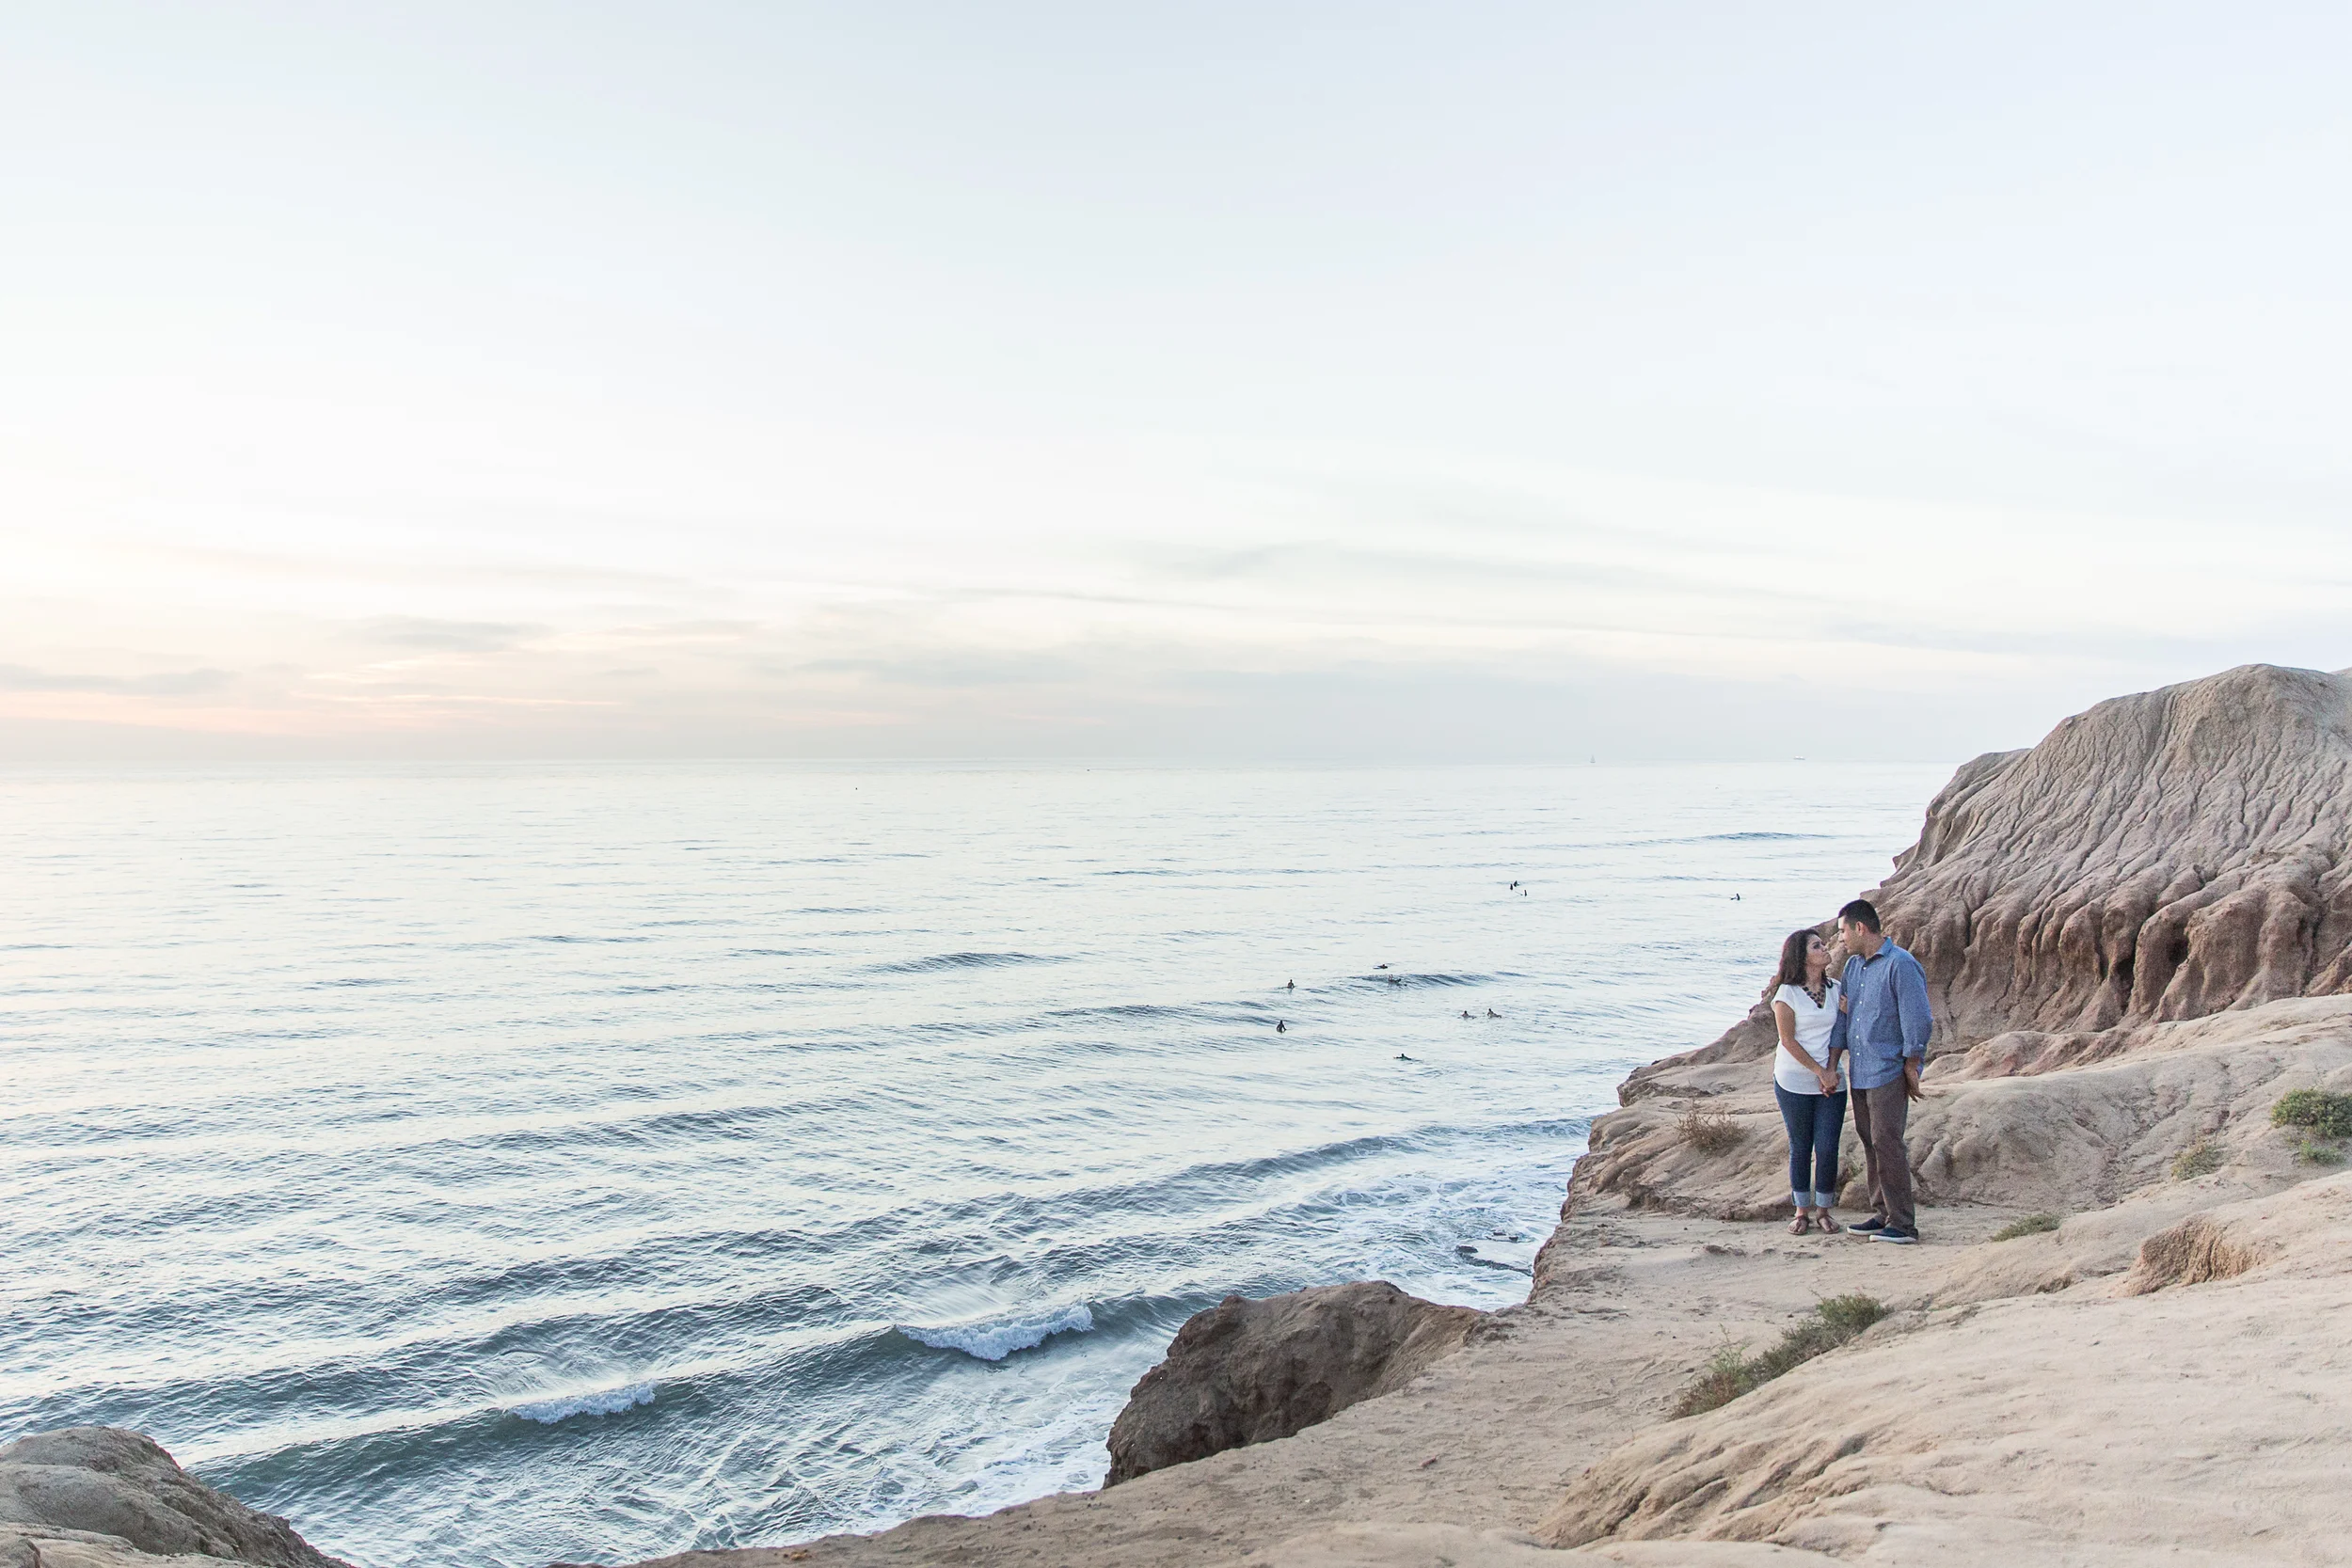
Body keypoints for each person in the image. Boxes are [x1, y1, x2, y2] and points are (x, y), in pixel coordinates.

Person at [1826, 897, 1933, 1244]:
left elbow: (1918, 1018)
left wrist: (1912, 1064)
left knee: (1888, 1143)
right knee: (1870, 1142)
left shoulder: (1900, 965)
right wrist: (1832, 1065)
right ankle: (1882, 1212)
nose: (1840, 938)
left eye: (1843, 931)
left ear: (1860, 928)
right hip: (1860, 1070)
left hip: (1887, 1069)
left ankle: (1903, 1225)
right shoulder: (1853, 968)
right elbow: (1846, 1018)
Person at [1769, 927, 1846, 1234]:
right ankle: (1801, 1210)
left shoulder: (1837, 989)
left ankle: (1824, 1210)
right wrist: (1818, 1071)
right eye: (1817, 946)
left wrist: (1830, 1070)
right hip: (1794, 1080)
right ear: (1802, 958)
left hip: (1831, 1078)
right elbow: (1787, 1041)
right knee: (1801, 1146)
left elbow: (1839, 1034)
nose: (1824, 948)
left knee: (1827, 1147)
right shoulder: (1786, 994)